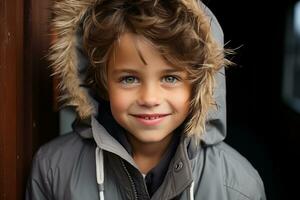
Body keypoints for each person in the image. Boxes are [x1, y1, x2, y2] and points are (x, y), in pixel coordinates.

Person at [26, 0, 266, 199]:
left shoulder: (237, 185)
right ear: (103, 83)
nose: (150, 98)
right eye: (129, 79)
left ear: (199, 85)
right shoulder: (53, 169)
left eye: (170, 78)